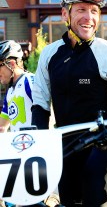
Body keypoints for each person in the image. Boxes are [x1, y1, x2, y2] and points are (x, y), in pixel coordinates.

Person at [31, 0, 107, 207]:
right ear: (65, 14)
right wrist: (37, 152)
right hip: (65, 148)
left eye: (94, 11)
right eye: (81, 10)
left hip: (103, 146)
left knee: (93, 193)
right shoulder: (50, 55)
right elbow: (40, 105)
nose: (88, 18)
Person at [0, 40, 59, 207]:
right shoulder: (10, 92)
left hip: (39, 157)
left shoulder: (30, 81)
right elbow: (2, 127)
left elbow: (48, 114)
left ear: (11, 64)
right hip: (21, 157)